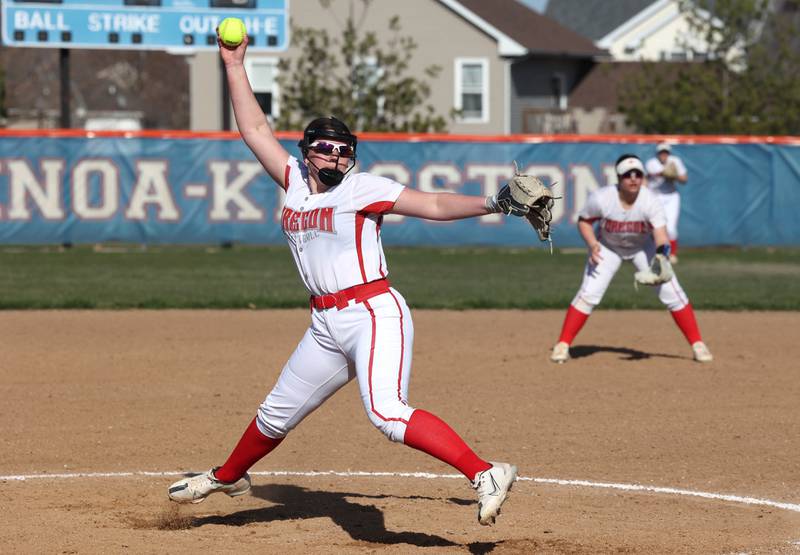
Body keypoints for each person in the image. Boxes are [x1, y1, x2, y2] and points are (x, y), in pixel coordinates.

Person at [167, 31, 528, 526]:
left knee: (387, 412)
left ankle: (486, 472)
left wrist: (493, 202)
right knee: (275, 414)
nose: (336, 157)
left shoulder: (363, 188)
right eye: (326, 149)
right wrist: (234, 64)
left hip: (372, 312)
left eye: (343, 150)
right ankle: (228, 476)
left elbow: (435, 204)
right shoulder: (293, 180)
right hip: (324, 323)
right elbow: (253, 129)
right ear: (307, 152)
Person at [549, 154, 712, 364]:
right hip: (608, 247)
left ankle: (698, 343)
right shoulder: (602, 198)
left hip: (643, 247)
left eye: (638, 174)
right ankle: (563, 344)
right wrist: (592, 244)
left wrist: (662, 257)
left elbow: (661, 235)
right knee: (589, 294)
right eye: (627, 175)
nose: (633, 178)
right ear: (618, 178)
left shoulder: (650, 201)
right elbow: (584, 221)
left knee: (672, 292)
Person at [645, 142, 688, 264]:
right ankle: (653, 252)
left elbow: (684, 179)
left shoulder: (675, 161)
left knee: (670, 228)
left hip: (671, 197)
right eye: (661, 152)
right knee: (653, 226)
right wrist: (665, 173)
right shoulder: (651, 163)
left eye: (666, 152)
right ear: (657, 153)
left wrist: (676, 176)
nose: (664, 155)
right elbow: (652, 174)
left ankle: (671, 254)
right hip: (655, 196)